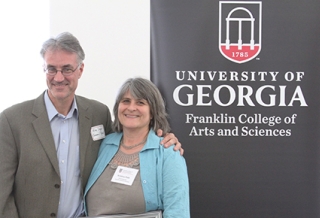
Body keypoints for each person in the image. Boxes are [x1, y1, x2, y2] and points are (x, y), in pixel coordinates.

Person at [0, 32, 182, 218]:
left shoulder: (98, 114)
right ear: (44, 69)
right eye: (52, 69)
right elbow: (2, 194)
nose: (59, 77)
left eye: (67, 69)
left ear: (80, 70)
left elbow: (129, 140)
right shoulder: (12, 120)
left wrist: (163, 138)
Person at [84, 77, 190, 217]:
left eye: (140, 102)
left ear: (153, 112)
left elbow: (178, 212)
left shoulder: (168, 153)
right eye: (126, 101)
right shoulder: (104, 144)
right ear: (118, 108)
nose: (131, 108)